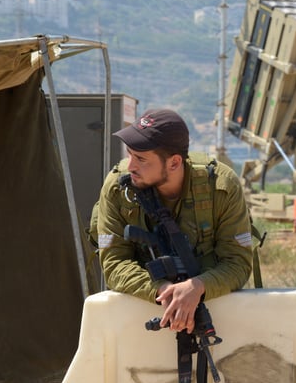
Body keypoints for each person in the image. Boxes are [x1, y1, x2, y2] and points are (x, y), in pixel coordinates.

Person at [95, 108, 253, 334]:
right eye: (129, 154)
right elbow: (114, 263)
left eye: (140, 159)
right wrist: (163, 290)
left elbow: (238, 263)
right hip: (141, 313)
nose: (130, 166)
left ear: (174, 163)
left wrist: (198, 286)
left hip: (214, 310)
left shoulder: (220, 187)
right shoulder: (118, 187)